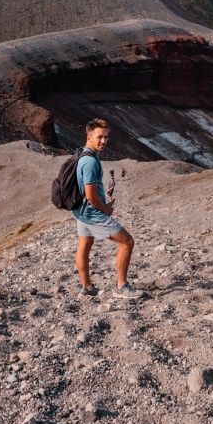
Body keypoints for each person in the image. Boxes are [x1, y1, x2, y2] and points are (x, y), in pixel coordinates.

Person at [70, 119, 141, 299]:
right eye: (99, 137)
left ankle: (86, 287)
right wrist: (106, 209)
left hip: (81, 211)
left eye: (106, 137)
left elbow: (89, 190)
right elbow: (91, 196)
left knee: (84, 244)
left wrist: (103, 193)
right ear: (89, 136)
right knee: (127, 242)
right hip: (92, 212)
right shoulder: (91, 162)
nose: (104, 141)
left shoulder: (83, 155)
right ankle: (121, 287)